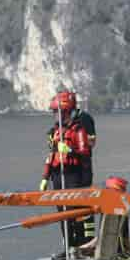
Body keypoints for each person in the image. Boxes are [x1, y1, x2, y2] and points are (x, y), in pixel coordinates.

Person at [40, 90, 97, 250]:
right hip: (58, 175)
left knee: (78, 211)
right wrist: (45, 176)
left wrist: (69, 149)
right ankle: (68, 247)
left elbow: (85, 150)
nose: (54, 115)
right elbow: (51, 155)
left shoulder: (79, 127)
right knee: (63, 214)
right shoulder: (55, 131)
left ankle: (84, 245)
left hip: (74, 174)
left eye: (56, 112)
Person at [76, 176, 130, 259]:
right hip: (114, 248)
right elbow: (103, 235)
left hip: (117, 252)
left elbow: (109, 234)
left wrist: (87, 246)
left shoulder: (118, 212)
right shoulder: (121, 208)